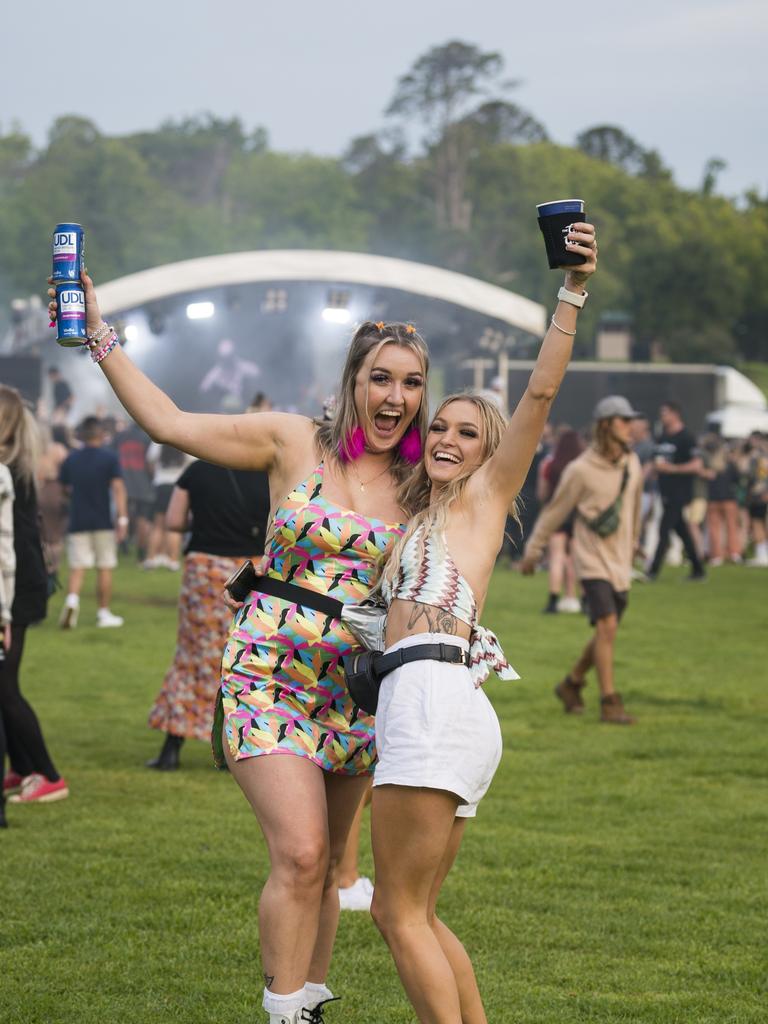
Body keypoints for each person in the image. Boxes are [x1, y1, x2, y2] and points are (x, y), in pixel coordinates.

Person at [49, 270, 430, 1024]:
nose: (395, 397)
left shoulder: (423, 482)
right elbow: (166, 421)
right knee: (298, 852)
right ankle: (283, 1013)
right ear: (352, 381)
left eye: (412, 383)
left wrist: (570, 303)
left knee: (326, 871)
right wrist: (98, 334)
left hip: (355, 691)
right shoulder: (293, 441)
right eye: (380, 379)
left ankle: (309, 1007)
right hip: (267, 676)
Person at [369, 222, 596, 1022]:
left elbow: (537, 395)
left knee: (395, 915)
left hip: (432, 698)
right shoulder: (418, 515)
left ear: (487, 453)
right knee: (421, 912)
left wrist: (570, 291)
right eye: (440, 425)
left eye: (467, 433)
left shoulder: (481, 498)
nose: (446, 438)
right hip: (445, 701)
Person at [521, 396, 643, 725]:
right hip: (590, 561)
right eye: (624, 420)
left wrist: (635, 542)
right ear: (606, 425)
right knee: (607, 626)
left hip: (619, 561)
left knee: (607, 630)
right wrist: (533, 551)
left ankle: (571, 683)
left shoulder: (632, 463)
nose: (631, 426)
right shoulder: (580, 470)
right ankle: (609, 701)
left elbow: (634, 507)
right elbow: (554, 512)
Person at [146, 459, 270, 770]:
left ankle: (172, 747)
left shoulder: (196, 471)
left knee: (193, 656)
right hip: (251, 572)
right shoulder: (267, 473)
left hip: (205, 570)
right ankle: (237, 747)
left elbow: (174, 521)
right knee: (246, 659)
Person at [0, 385, 69, 808]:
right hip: (20, 583)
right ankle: (24, 768)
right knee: (5, 681)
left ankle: (48, 773)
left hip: (12, 589)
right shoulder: (17, 465)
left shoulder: (9, 468)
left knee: (5, 684)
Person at [58, 416, 128, 629]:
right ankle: (103, 613)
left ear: (82, 434)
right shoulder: (109, 458)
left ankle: (72, 601)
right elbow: (117, 488)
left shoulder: (72, 458)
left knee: (77, 567)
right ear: (100, 434)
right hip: (102, 520)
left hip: (78, 519)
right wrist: (123, 519)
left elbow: (64, 487)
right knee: (104, 567)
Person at [647, 402, 706, 581]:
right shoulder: (662, 436)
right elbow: (655, 461)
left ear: (675, 414)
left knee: (664, 529)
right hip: (664, 490)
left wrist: (672, 469)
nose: (662, 417)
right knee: (682, 531)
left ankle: (653, 571)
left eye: (665, 413)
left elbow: (697, 465)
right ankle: (698, 570)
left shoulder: (686, 437)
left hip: (679, 491)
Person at [535, 427, 584, 613]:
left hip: (556, 514)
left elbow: (542, 493)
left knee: (557, 557)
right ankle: (578, 598)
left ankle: (553, 601)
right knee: (575, 558)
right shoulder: (582, 466)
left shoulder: (549, 464)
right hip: (577, 515)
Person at [700, 435, 742, 565]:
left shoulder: (709, 464)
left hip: (713, 499)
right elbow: (738, 479)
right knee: (732, 527)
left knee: (714, 529)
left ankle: (717, 556)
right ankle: (734, 553)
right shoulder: (730, 464)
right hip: (729, 499)